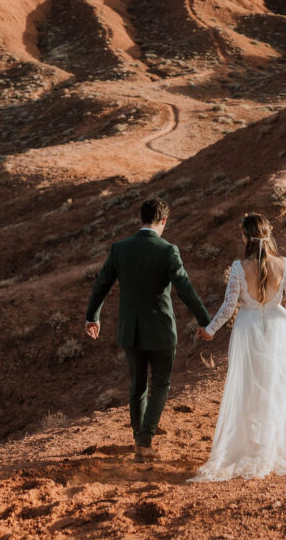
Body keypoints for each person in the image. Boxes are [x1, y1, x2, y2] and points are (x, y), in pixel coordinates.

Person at [190, 212, 286, 481]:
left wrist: (210, 330)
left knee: (249, 388)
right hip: (276, 329)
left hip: (247, 329)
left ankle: (252, 448)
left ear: (245, 237)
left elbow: (229, 306)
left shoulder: (239, 267)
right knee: (274, 389)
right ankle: (270, 449)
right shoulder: (284, 265)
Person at [85, 197, 211, 462]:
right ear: (163, 220)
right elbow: (185, 288)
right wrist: (204, 319)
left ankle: (138, 437)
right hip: (161, 329)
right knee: (161, 384)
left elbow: (102, 285)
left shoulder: (120, 248)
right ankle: (145, 440)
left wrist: (92, 317)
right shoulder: (167, 250)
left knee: (137, 385)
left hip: (131, 329)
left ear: (140, 219)